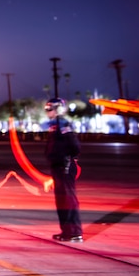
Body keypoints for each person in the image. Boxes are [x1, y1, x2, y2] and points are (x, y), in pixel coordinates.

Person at [43, 97, 83, 242]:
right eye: (46, 109)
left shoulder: (64, 125)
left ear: (58, 109)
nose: (47, 112)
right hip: (58, 167)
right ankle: (66, 231)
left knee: (68, 200)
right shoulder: (54, 126)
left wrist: (69, 159)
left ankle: (75, 232)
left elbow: (75, 146)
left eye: (50, 109)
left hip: (65, 166)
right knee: (61, 201)